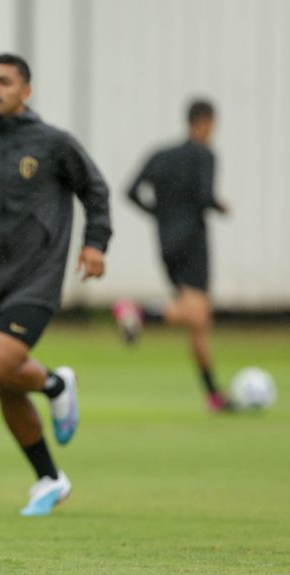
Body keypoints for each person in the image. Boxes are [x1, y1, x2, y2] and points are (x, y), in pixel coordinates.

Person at [0, 54, 112, 517]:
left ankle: (53, 384)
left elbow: (95, 189)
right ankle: (50, 478)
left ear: (25, 91)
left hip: (37, 279)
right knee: (5, 384)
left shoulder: (53, 144)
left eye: (4, 81)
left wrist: (95, 243)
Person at [114, 99, 230, 411]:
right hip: (193, 240)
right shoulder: (204, 155)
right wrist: (220, 206)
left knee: (199, 321)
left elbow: (130, 190)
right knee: (196, 314)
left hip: (166, 241)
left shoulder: (161, 155)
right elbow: (205, 196)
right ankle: (137, 312)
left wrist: (158, 214)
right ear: (204, 123)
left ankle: (213, 395)